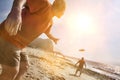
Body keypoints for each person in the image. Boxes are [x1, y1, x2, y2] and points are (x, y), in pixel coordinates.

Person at [0, 0, 66, 80]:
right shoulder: (44, 4)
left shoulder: (50, 22)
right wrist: (16, 10)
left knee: (24, 67)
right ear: (60, 7)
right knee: (12, 71)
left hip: (20, 46)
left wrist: (53, 38)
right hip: (9, 36)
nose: (63, 14)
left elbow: (47, 32)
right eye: (64, 11)